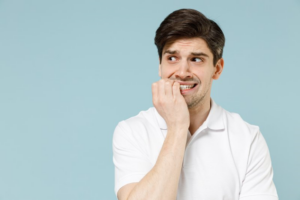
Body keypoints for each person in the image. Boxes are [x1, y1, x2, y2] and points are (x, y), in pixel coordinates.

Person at [113, 9, 278, 200]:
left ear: (217, 69)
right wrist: (177, 127)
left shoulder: (248, 139)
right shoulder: (132, 131)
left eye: (196, 59)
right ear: (160, 65)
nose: (182, 72)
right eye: (172, 58)